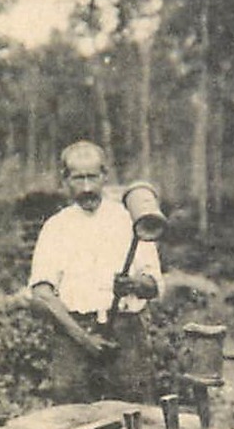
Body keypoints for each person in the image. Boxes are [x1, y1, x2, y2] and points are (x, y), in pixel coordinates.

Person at [28, 140, 165, 404]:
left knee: (136, 414)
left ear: (105, 176)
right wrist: (84, 338)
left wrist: (134, 285)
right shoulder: (55, 227)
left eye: (93, 177)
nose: (87, 187)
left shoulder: (131, 221)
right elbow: (41, 293)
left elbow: (154, 283)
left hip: (127, 335)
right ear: (65, 180)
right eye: (78, 178)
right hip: (73, 336)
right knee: (70, 418)